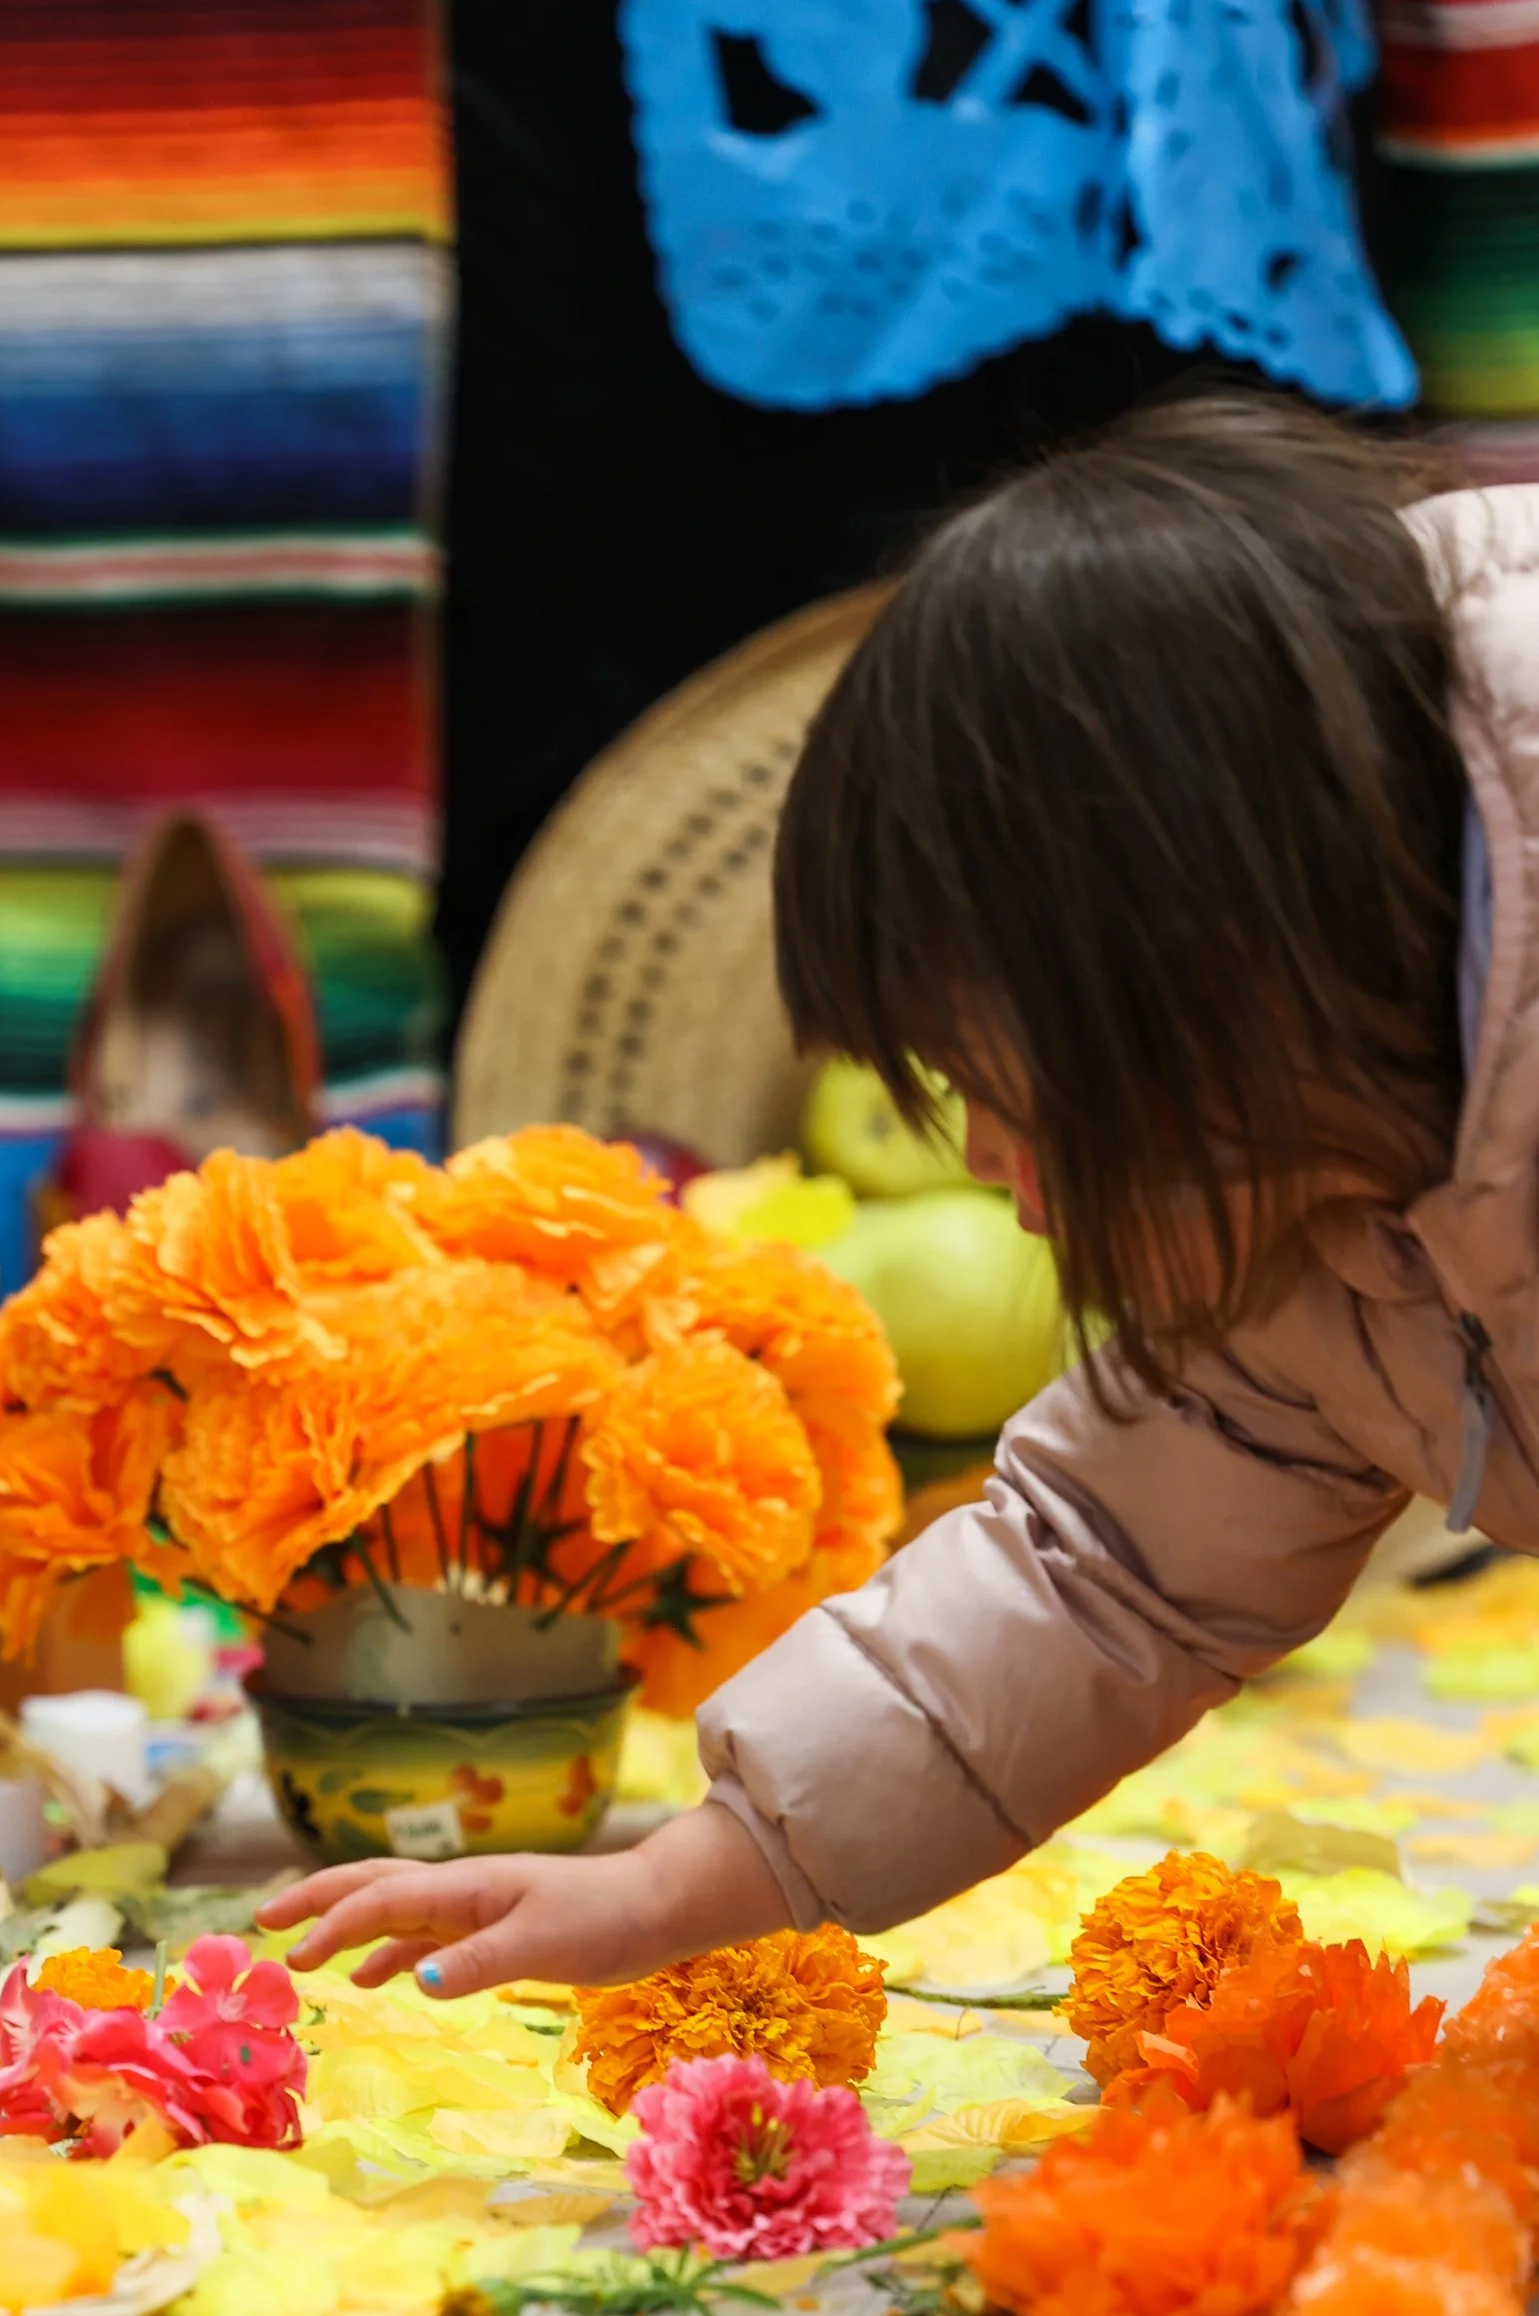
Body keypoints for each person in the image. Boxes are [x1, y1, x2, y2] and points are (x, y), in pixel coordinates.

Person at [262, 396, 1529, 2001]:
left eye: (1001, 1094)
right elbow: (1096, 1575)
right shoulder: (1294, 1219)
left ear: (1198, 974)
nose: (993, 1174)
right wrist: (671, 1887)